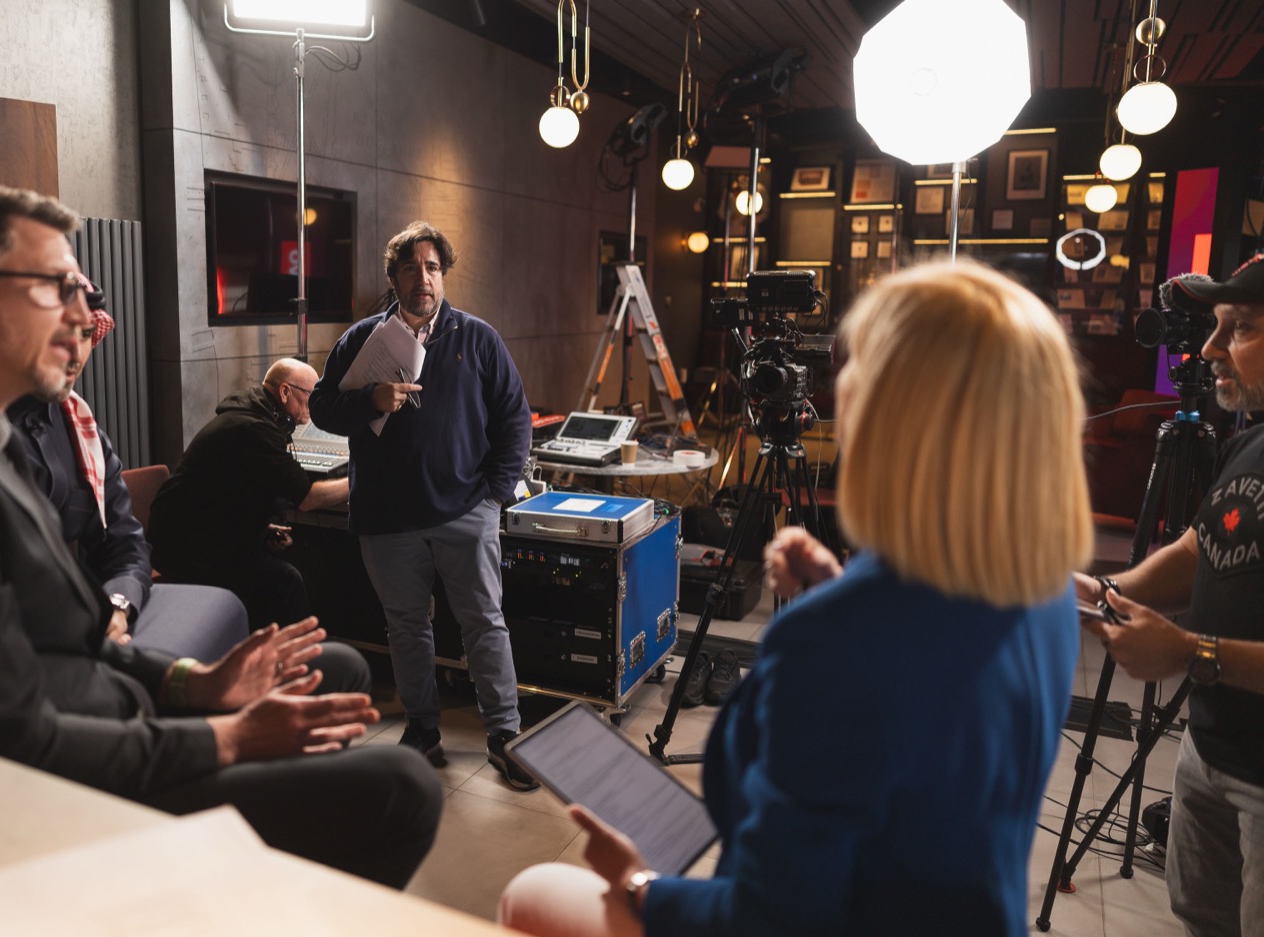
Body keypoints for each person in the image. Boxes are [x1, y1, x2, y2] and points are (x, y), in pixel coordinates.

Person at [0, 180, 440, 889]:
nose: (85, 318)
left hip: (91, 707)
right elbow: (13, 742)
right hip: (32, 796)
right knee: (403, 784)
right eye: (55, 289)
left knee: (335, 666)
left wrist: (197, 679)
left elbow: (75, 636)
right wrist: (227, 735)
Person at [500, 261, 1093, 936]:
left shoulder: (833, 643)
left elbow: (765, 921)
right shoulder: (1045, 586)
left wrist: (639, 881)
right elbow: (930, 691)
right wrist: (844, 591)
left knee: (534, 890)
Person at [310, 220, 536, 790]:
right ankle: (422, 729)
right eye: (411, 267)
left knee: (484, 624)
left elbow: (515, 420)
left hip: (465, 511)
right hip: (388, 520)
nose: (423, 277)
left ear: (444, 274)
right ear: (394, 276)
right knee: (407, 628)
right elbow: (320, 409)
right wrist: (369, 400)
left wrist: (494, 496)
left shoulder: (477, 337)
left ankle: (505, 736)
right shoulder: (362, 338)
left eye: (433, 267)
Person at [1079, 252, 1264, 937]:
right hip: (1209, 754)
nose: (1211, 349)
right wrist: (1100, 588)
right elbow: (1201, 547)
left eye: (1238, 328)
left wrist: (1191, 652)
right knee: (1200, 917)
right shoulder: (1247, 439)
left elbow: (1193, 643)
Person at [6, 278, 253, 664]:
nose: (76, 353)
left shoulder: (79, 425)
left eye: (87, 334)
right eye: (59, 334)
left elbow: (124, 544)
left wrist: (117, 608)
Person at [148, 358, 349, 633]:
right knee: (285, 580)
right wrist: (363, 479)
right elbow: (308, 498)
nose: (314, 405)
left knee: (275, 567)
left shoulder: (250, 417)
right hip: (187, 551)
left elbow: (224, 498)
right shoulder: (253, 429)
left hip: (197, 536)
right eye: (310, 395)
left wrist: (261, 528)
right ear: (285, 392)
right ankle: (296, 666)